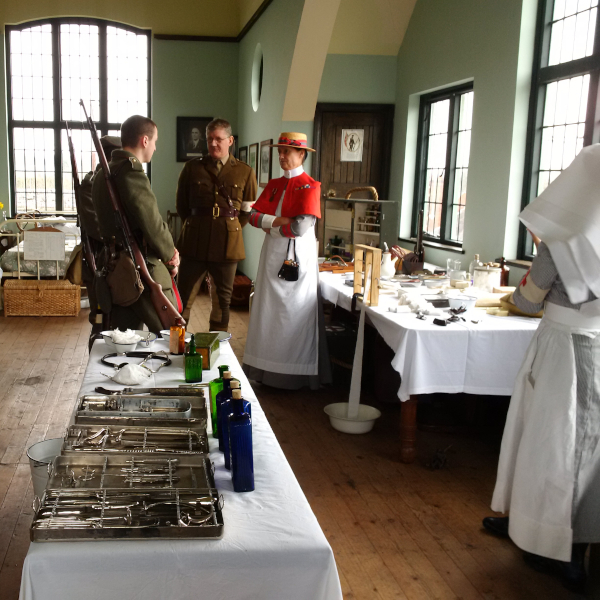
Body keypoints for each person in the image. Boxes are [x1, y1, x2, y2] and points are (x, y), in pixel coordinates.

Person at [484, 144, 600, 594]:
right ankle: (560, 539)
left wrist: (525, 284)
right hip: (595, 344)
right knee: (583, 448)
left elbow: (529, 300)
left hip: (561, 350)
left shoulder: (563, 238)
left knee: (549, 443)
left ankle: (549, 541)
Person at [242, 132, 331, 390]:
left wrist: (270, 225)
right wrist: (280, 222)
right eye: (279, 151)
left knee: (293, 312)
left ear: (301, 154)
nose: (281, 156)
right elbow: (253, 217)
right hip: (271, 257)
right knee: (268, 313)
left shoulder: (310, 186)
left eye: (286, 152)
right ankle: (264, 369)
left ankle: (296, 374)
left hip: (298, 258)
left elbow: (300, 228)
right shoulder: (274, 185)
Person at [92, 115, 180, 333]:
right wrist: (170, 254)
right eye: (155, 141)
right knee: (171, 334)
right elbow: (151, 222)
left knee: (124, 340)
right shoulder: (131, 171)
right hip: (141, 267)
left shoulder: (102, 174)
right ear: (145, 140)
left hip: (116, 270)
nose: (155, 148)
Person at [176, 118, 256, 330]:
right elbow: (182, 206)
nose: (213, 143)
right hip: (194, 243)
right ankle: (176, 345)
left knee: (222, 302)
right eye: (209, 139)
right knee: (181, 301)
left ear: (230, 140)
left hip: (227, 247)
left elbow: (246, 212)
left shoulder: (245, 172)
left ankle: (216, 346)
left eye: (218, 139)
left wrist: (228, 229)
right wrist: (197, 227)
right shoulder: (192, 168)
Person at [78, 135, 121, 336]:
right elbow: (96, 227)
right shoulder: (90, 184)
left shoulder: (116, 182)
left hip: (117, 264)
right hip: (97, 262)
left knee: (119, 319)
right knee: (100, 319)